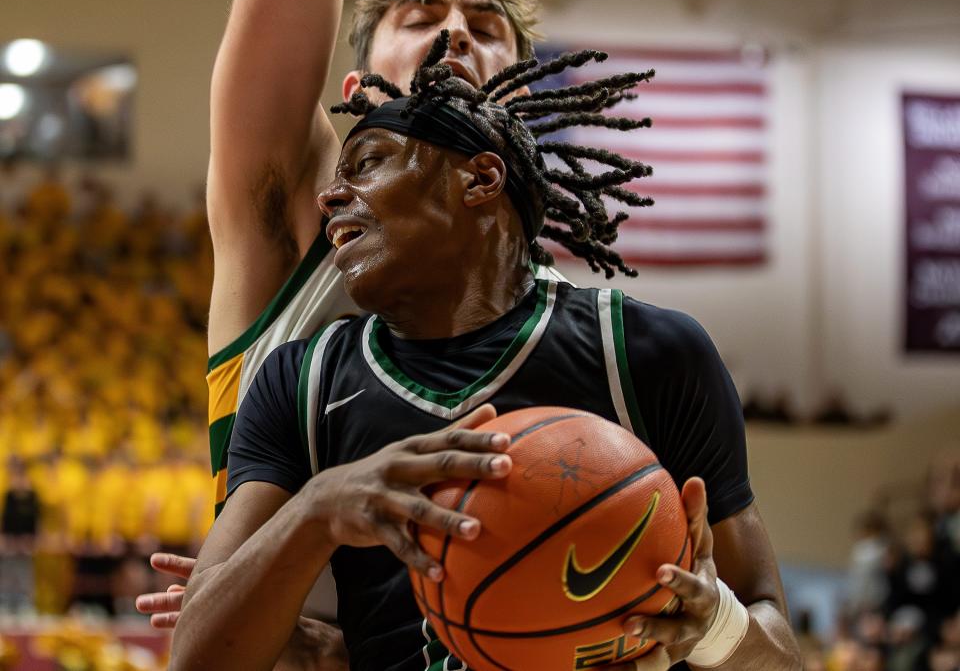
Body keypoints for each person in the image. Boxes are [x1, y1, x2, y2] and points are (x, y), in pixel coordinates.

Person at [169, 45, 802, 671]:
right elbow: (193, 659)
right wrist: (319, 510)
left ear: (480, 178)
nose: (332, 197)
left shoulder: (644, 353)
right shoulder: (299, 380)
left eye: (366, 163)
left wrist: (717, 627)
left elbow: (780, 656)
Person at [137, 0, 558, 632]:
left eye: (487, 27)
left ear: (519, 103)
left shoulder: (567, 314)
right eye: (421, 16)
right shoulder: (298, 209)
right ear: (358, 90)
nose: (456, 34)